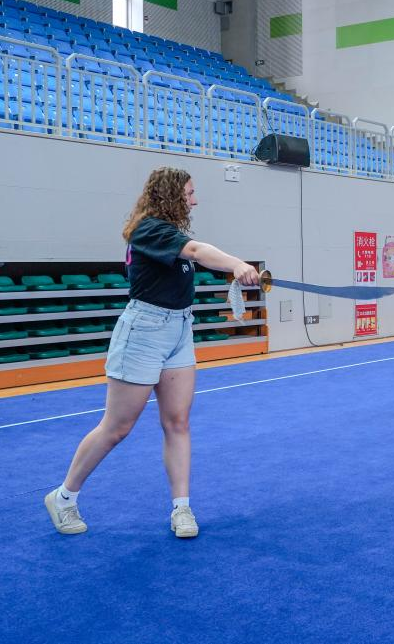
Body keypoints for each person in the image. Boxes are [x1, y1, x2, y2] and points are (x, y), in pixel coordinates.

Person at [44, 166, 260, 537]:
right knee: (117, 428)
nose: (195, 200)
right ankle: (63, 497)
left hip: (179, 330)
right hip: (144, 331)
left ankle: (182, 508)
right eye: (189, 193)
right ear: (171, 195)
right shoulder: (149, 230)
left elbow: (192, 254)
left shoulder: (169, 234)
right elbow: (198, 251)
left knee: (177, 422)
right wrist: (238, 264)